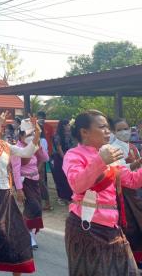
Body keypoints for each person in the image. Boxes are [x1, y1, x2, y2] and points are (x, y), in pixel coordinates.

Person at [63, 110, 142, 275]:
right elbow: (77, 184)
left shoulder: (108, 154)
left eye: (108, 128)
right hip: (86, 227)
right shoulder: (74, 155)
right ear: (84, 132)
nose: (108, 131)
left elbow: (133, 180)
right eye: (102, 127)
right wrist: (101, 161)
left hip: (112, 226)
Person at [0, 111, 40, 275]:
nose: (0, 124)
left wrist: (37, 133)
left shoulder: (4, 144)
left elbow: (26, 152)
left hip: (5, 195)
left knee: (17, 236)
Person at [111, 118, 142, 269]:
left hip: (137, 189)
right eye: (120, 129)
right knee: (131, 225)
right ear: (114, 132)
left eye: (126, 128)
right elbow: (121, 171)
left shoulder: (132, 147)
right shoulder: (114, 149)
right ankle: (132, 258)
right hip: (125, 191)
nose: (125, 132)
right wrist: (138, 163)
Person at [11, 129, 49, 250]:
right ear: (21, 136)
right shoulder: (17, 149)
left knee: (36, 210)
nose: (31, 137)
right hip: (24, 181)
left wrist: (39, 147)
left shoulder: (33, 146)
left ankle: (26, 232)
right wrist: (19, 189)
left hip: (35, 181)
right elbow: (15, 170)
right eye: (28, 135)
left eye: (33, 134)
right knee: (33, 207)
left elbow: (46, 158)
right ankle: (25, 233)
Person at [52, 120, 75, 205]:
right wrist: (65, 159)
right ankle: (61, 197)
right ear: (63, 126)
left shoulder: (70, 135)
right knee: (60, 178)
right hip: (60, 159)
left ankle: (69, 197)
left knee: (69, 178)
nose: (69, 126)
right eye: (67, 124)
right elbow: (59, 148)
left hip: (69, 157)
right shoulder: (57, 136)